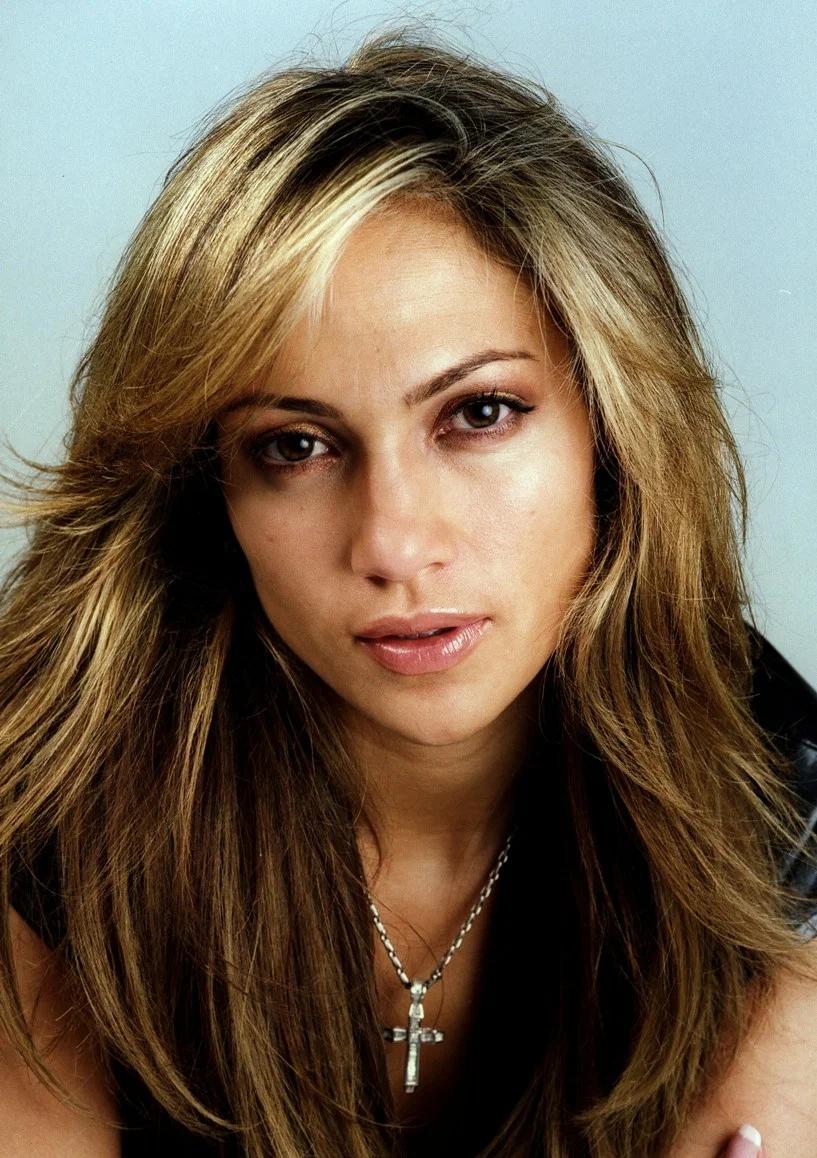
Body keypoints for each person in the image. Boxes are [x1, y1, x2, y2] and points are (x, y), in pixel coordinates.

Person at [0, 27, 815, 1158]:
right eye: (294, 445)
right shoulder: (55, 797)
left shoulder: (777, 802)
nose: (392, 543)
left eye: (478, 414)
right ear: (208, 488)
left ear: (613, 435)